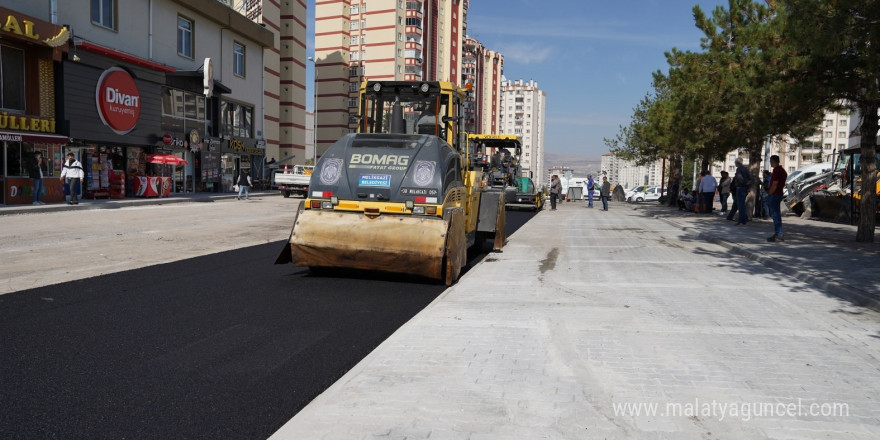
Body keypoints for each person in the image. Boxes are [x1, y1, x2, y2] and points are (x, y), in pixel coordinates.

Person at [766, 155, 788, 242]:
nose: (770, 164)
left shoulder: (776, 171)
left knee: (775, 215)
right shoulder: (783, 171)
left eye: (771, 162)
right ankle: (777, 233)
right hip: (779, 194)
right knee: (776, 215)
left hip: (774, 194)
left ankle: (779, 234)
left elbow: (775, 184)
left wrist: (769, 194)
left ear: (773, 161)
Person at [732, 157, 751, 225]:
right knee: (742, 204)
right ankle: (744, 219)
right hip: (745, 188)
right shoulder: (746, 169)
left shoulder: (739, 169)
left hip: (740, 187)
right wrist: (748, 186)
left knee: (740, 204)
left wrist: (738, 184)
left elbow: (739, 178)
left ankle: (741, 219)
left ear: (737, 163)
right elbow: (749, 178)